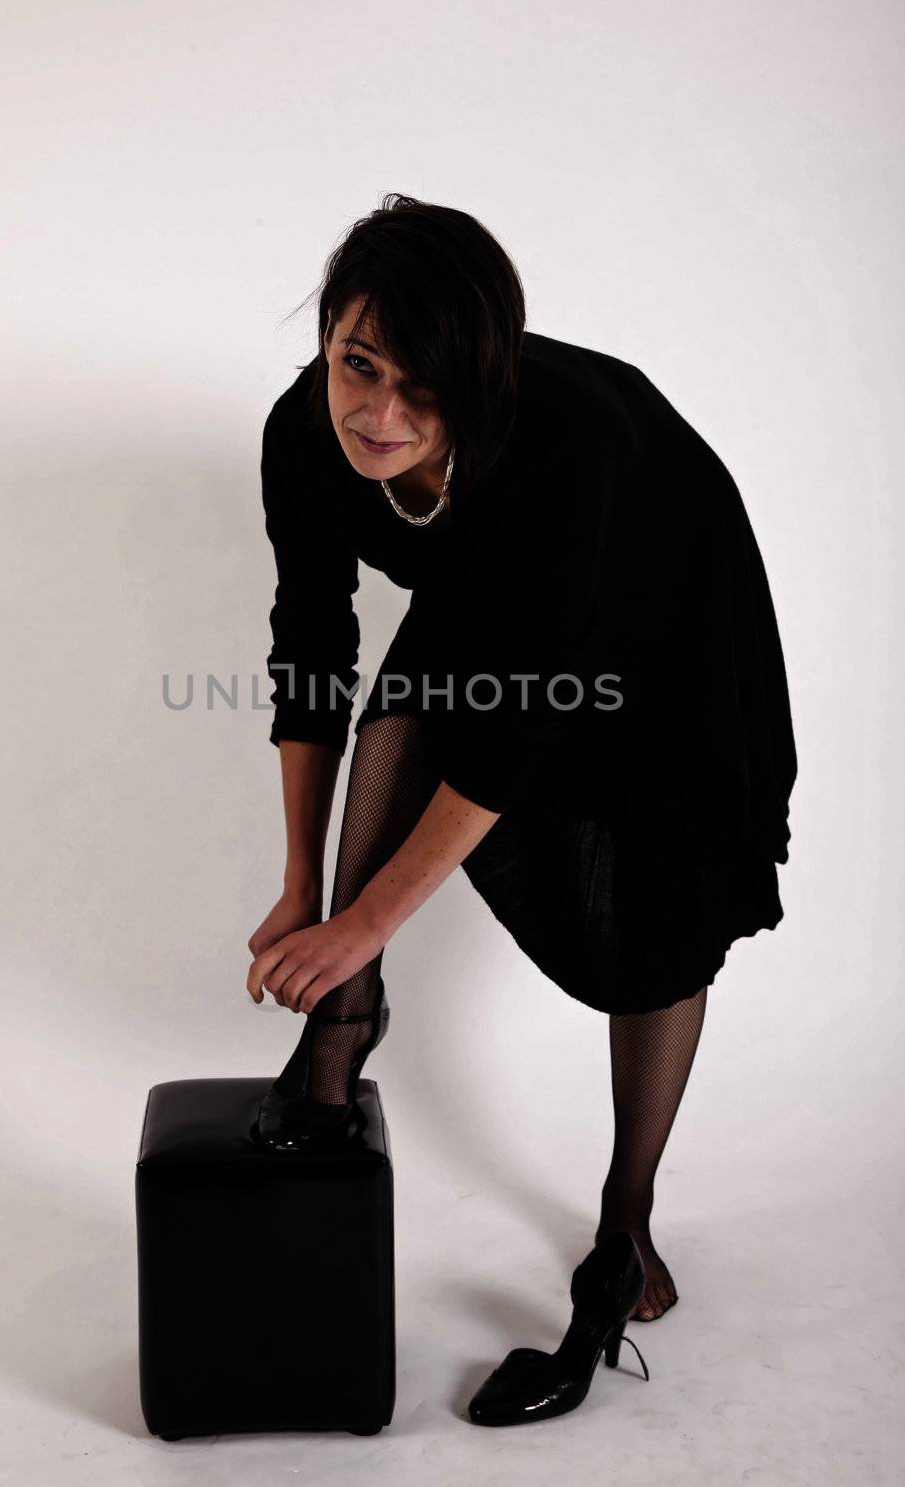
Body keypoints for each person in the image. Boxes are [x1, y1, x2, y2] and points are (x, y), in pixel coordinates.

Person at [245, 193, 798, 1333]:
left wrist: (365, 920)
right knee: (402, 714)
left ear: (478, 379)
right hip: (504, 584)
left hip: (670, 605)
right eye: (358, 364)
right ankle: (345, 1019)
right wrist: (305, 886)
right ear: (327, 342)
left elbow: (514, 730)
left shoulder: (569, 441)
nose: (378, 412)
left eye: (421, 386)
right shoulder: (302, 431)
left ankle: (624, 1213)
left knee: (656, 924)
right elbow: (312, 651)